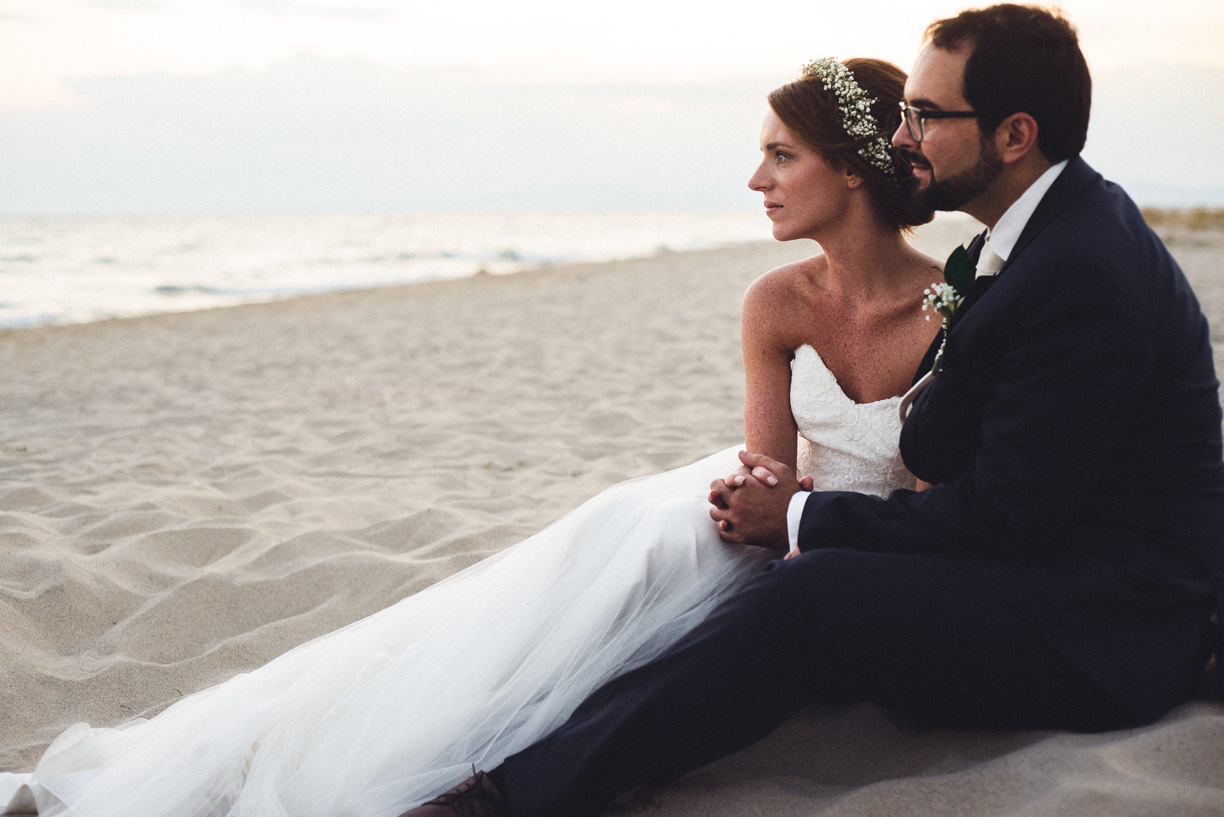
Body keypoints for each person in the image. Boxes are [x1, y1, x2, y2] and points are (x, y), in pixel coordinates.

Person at [0, 58, 939, 817]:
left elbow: (952, 499)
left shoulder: (955, 309)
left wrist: (797, 517)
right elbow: (763, 465)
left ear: (851, 168)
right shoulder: (775, 300)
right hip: (777, 515)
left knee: (666, 562)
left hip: (869, 549)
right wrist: (753, 504)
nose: (755, 179)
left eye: (781, 157)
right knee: (633, 540)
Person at [400, 5, 1224, 817]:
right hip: (1053, 574)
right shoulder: (1023, 247)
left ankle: (510, 797)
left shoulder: (1079, 272)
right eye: (903, 114)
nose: (902, 138)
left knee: (813, 599)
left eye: (927, 116)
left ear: (1014, 135)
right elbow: (943, 441)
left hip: (1106, 632)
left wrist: (801, 516)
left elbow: (1002, 519)